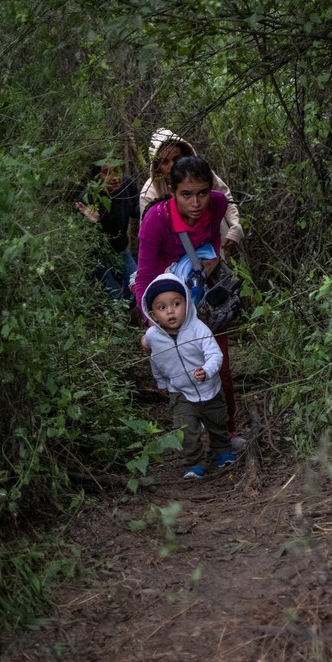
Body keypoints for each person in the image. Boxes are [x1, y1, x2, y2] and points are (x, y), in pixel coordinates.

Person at [135, 154, 245, 448]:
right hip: (169, 303)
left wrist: (210, 259)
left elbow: (212, 240)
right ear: (172, 192)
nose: (196, 203)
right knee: (181, 372)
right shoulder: (156, 221)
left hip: (203, 298)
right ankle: (192, 444)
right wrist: (151, 324)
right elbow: (144, 275)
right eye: (186, 195)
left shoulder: (218, 204)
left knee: (219, 364)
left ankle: (227, 434)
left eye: (202, 193)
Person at [141, 272, 235, 478]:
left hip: (209, 387)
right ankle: (195, 463)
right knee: (186, 431)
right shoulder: (153, 337)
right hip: (180, 392)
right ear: (152, 314)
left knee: (217, 423)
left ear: (187, 303)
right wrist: (161, 383)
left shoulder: (198, 329)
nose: (171, 312)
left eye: (176, 304)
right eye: (162, 307)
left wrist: (207, 370)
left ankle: (223, 452)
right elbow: (156, 360)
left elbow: (214, 354)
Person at [140, 128, 244, 257]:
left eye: (176, 158)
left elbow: (225, 197)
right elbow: (149, 237)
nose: (172, 165)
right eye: (165, 162)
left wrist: (235, 225)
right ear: (157, 166)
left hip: (214, 244)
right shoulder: (149, 194)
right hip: (176, 257)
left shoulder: (201, 175)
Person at [75, 158, 139, 302]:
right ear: (98, 177)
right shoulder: (88, 197)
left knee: (138, 289)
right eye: (107, 172)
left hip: (120, 249)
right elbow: (77, 238)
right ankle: (118, 320)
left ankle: (128, 318)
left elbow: (136, 208)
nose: (115, 177)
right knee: (113, 299)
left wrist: (149, 206)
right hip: (96, 256)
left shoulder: (127, 184)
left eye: (117, 170)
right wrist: (92, 223)